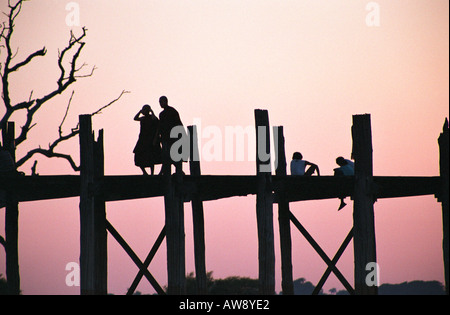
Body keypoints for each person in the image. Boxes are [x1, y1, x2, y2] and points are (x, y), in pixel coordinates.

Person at [158, 96, 185, 175]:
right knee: (166, 155)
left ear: (166, 101)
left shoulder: (172, 111)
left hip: (173, 138)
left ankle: (178, 171)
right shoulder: (162, 114)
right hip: (166, 137)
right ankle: (177, 171)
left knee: (171, 155)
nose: (160, 104)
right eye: (159, 102)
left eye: (161, 102)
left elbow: (178, 124)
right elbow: (161, 126)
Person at [133, 104, 162, 175]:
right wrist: (140, 111)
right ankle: (144, 172)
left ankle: (152, 173)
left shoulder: (152, 118)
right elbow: (135, 118)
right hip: (142, 139)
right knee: (138, 155)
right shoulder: (142, 118)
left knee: (151, 157)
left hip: (150, 139)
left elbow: (156, 120)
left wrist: (152, 112)